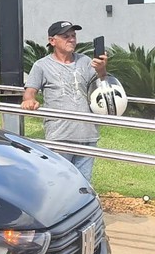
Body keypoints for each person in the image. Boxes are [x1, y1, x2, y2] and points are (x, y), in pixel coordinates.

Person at [21, 20, 107, 181]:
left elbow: (102, 85)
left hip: (87, 135)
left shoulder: (85, 61)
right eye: (66, 36)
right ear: (52, 41)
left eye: (73, 35)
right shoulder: (41, 66)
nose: (72, 39)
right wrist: (30, 101)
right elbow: (29, 92)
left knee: (82, 185)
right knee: (59, 183)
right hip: (59, 137)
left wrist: (102, 70)